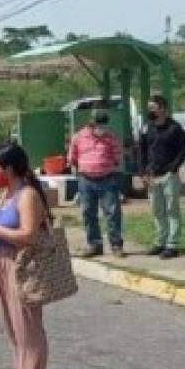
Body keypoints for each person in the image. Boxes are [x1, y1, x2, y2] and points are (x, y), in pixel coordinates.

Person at [0, 143, 52, 369]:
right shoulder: (8, 193)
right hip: (2, 262)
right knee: (11, 322)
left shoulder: (28, 195)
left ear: (9, 169)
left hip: (21, 264)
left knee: (28, 324)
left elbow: (28, 235)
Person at [67, 106, 124, 258]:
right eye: (99, 124)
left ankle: (116, 244)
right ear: (91, 122)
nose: (102, 127)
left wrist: (107, 166)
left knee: (112, 213)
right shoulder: (79, 137)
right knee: (88, 212)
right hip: (86, 180)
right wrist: (75, 168)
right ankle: (94, 244)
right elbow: (72, 156)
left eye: (104, 124)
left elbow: (118, 157)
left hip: (107, 179)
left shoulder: (111, 137)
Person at [139, 93, 185, 259]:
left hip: (168, 176)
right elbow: (142, 150)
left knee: (172, 210)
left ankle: (172, 245)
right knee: (157, 211)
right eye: (149, 108)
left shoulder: (175, 128)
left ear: (163, 109)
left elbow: (182, 151)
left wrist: (173, 169)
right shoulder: (147, 127)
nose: (150, 111)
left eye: (153, 107)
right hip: (152, 176)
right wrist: (143, 172)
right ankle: (160, 242)